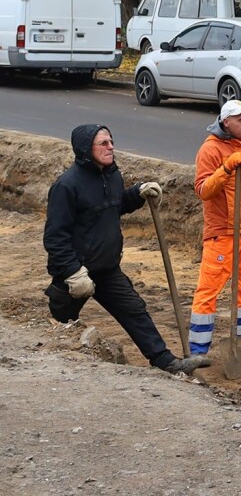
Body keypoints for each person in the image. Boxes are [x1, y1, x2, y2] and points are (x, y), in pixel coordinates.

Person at [43, 124, 209, 374]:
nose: (111, 147)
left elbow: (114, 206)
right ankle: (50, 365)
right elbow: (55, 236)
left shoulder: (111, 175)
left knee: (134, 310)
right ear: (86, 149)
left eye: (111, 141)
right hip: (75, 274)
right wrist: (73, 272)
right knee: (62, 326)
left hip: (106, 268)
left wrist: (137, 194)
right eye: (104, 143)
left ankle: (165, 361)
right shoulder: (67, 186)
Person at [188, 100, 241, 358]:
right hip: (222, 232)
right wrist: (226, 168)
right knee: (209, 289)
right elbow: (203, 190)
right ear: (226, 122)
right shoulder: (210, 150)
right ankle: (198, 350)